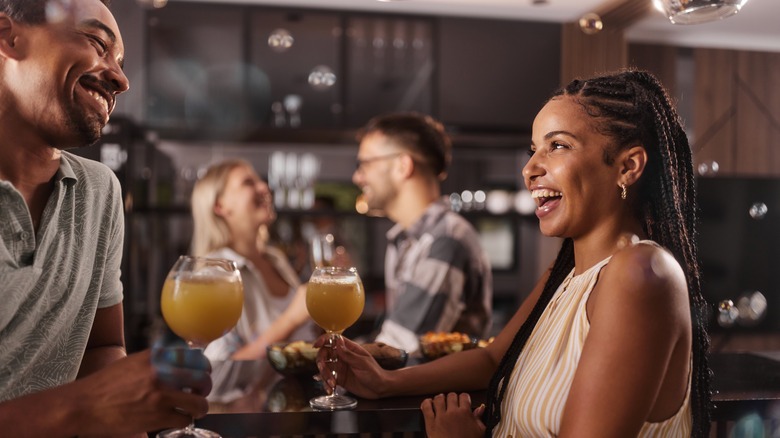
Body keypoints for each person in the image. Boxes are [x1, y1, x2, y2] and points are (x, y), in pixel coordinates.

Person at [317, 70, 711, 437]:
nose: (530, 169)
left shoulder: (642, 273)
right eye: (533, 149)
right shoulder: (568, 273)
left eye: (557, 145)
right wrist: (385, 382)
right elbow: (491, 362)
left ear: (627, 166)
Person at [0, 0, 212, 436]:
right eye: (98, 43)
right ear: (8, 37)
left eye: (120, 62)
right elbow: (89, 402)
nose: (120, 78)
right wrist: (81, 408)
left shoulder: (99, 191)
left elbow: (102, 346)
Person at [352, 112, 493, 352]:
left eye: (365, 163)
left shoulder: (446, 239)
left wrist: (329, 354)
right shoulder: (405, 239)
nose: (357, 176)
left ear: (402, 166)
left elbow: (400, 349)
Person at [190, 160, 316, 367]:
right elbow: (220, 368)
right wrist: (291, 320)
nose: (265, 187)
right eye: (248, 182)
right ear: (220, 206)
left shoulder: (275, 259)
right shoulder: (215, 274)